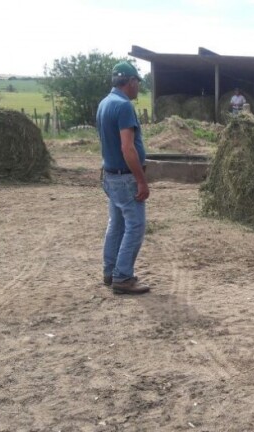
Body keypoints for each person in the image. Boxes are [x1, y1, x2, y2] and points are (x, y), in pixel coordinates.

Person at [96, 61, 150, 295]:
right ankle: (123, 276)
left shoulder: (104, 103)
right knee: (135, 226)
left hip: (110, 174)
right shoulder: (124, 106)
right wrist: (141, 180)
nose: (138, 87)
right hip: (125, 178)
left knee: (116, 225)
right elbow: (127, 148)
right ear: (131, 81)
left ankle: (110, 272)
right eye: (137, 82)